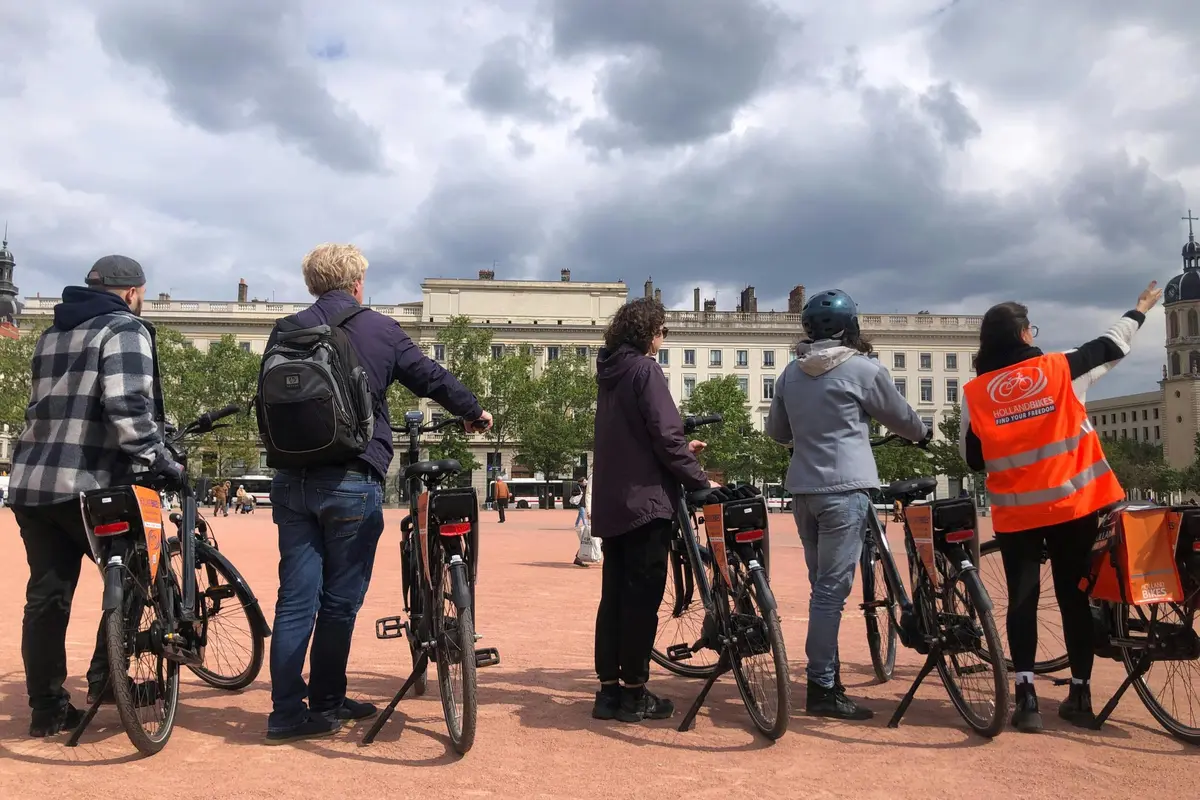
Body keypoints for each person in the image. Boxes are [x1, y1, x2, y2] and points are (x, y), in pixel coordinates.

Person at [263, 243, 492, 745]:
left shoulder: (286, 329)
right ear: (358, 284)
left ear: (312, 285)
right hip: (350, 477)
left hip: (290, 479)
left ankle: (285, 712)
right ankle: (324, 702)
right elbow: (430, 378)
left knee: (295, 600)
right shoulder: (377, 328)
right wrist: (474, 410)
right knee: (340, 602)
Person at [960, 281, 1160, 733]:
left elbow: (972, 458)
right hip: (1074, 504)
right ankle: (1081, 694)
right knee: (1074, 596)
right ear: (1026, 335)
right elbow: (1110, 346)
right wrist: (1139, 310)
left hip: (1017, 512)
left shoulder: (976, 394)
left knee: (1022, 599)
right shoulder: (1059, 368)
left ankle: (1027, 697)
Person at [7, 255, 183, 737]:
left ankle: (46, 709)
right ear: (132, 292)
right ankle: (108, 678)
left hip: (33, 484)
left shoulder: (51, 334)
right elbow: (127, 407)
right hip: (93, 482)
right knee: (136, 578)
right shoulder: (125, 329)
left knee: (46, 597)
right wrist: (163, 461)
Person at [766, 288, 929, 721]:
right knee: (830, 595)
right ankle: (821, 686)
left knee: (820, 586)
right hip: (845, 489)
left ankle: (827, 674)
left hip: (803, 490)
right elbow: (903, 418)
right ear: (849, 326)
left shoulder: (788, 374)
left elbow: (778, 431)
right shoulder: (864, 369)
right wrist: (922, 435)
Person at [590, 297, 717, 723]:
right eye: (661, 331)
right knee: (642, 600)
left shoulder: (609, 374)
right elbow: (662, 434)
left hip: (612, 501)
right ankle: (635, 695)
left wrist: (680, 442)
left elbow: (639, 433)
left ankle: (608, 693)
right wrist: (699, 478)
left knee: (613, 599)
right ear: (647, 332)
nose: (662, 339)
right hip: (646, 503)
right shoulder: (645, 369)